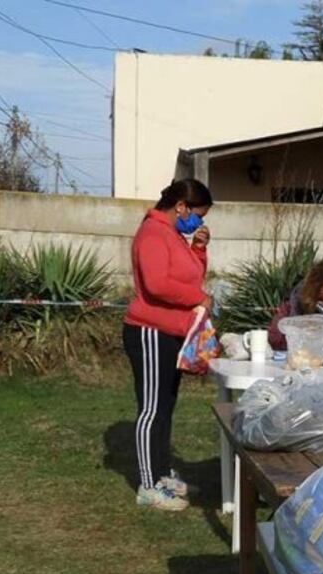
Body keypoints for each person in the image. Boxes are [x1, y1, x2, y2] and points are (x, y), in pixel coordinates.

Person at [122, 178, 214, 511]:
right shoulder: (152, 233)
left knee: (165, 407)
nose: (199, 222)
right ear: (181, 207)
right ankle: (148, 485)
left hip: (171, 332)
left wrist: (198, 250)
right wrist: (200, 298)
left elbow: (190, 277)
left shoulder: (174, 236)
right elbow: (158, 284)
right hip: (149, 330)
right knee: (151, 409)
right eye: (198, 216)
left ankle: (161, 474)